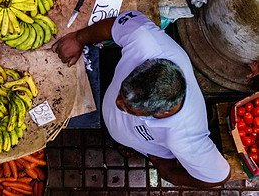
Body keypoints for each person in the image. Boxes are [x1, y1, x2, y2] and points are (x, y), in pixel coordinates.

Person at [52, 10, 231, 188]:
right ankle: (124, 140)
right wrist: (78, 39)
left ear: (162, 112)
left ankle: (130, 145)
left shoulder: (185, 138)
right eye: (122, 93)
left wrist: (168, 173)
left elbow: (218, 177)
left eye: (128, 108)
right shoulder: (145, 41)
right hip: (121, 128)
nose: (117, 102)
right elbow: (115, 26)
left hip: (146, 143)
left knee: (131, 141)